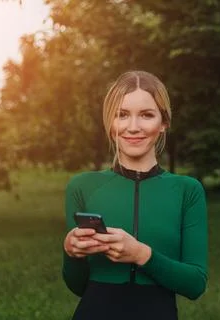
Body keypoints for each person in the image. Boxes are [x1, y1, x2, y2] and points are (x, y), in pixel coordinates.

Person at [62, 70, 208, 320]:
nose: (133, 127)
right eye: (122, 115)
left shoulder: (187, 190)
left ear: (163, 123)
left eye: (146, 115)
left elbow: (195, 284)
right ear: (110, 123)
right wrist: (70, 253)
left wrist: (141, 254)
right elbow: (78, 286)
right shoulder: (82, 186)